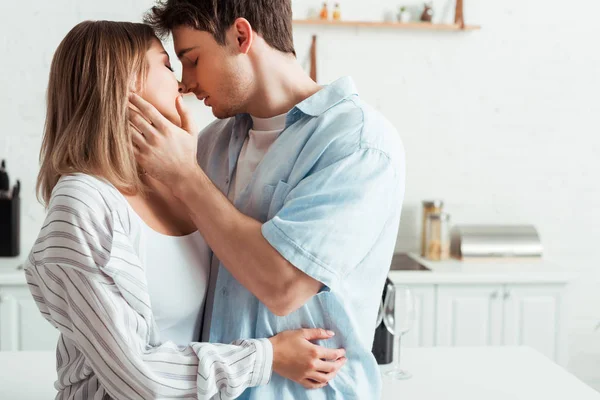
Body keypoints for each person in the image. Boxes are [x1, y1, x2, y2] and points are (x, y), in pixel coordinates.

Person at [25, 20, 346, 400]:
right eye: (166, 64)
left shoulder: (179, 184)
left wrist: (190, 164)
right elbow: (136, 377)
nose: (182, 82)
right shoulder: (81, 206)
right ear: (124, 83)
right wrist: (268, 356)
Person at [129, 0, 406, 398]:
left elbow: (283, 286)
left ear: (241, 36)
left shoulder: (359, 144)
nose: (186, 82)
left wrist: (186, 178)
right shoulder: (211, 144)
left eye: (192, 59)